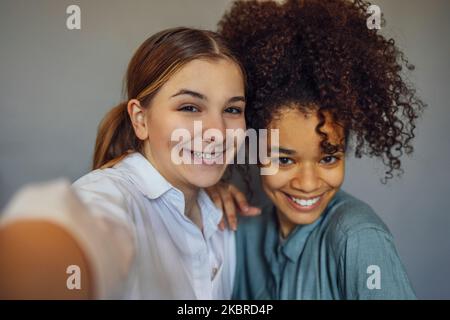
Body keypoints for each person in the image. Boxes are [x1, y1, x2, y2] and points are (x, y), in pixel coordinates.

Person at [0, 27, 247, 299]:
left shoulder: (220, 215)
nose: (218, 132)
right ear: (140, 119)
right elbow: (70, 228)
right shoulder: (114, 198)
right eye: (189, 107)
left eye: (232, 109)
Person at [207, 0, 425, 299]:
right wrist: (203, 193)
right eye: (284, 159)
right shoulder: (243, 223)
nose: (308, 184)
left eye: (328, 157)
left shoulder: (358, 238)